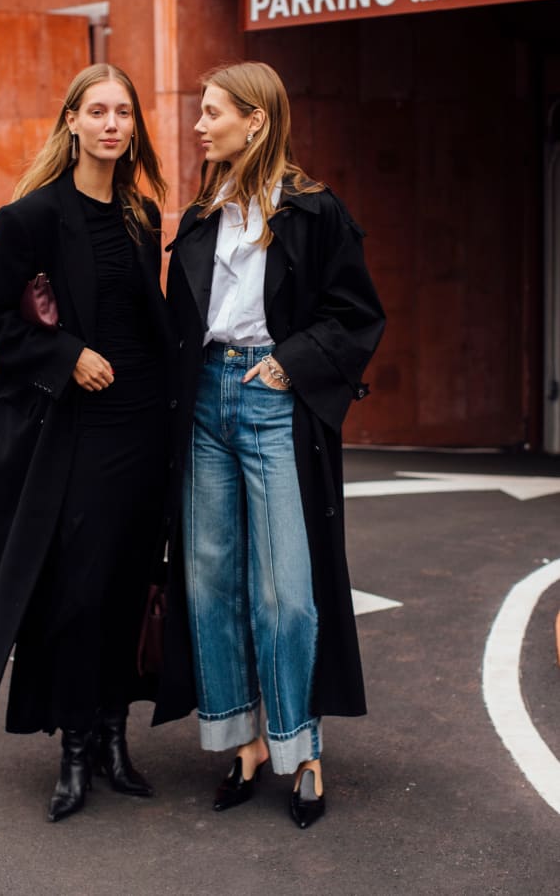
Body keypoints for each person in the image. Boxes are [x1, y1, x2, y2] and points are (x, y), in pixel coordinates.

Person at [157, 61, 385, 829]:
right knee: (208, 584)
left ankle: (300, 746)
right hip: (203, 406)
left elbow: (357, 316)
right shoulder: (201, 213)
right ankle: (243, 741)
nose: (200, 124)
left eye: (213, 112)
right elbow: (176, 322)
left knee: (287, 594)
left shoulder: (315, 213)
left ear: (255, 121)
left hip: (269, 402)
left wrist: (292, 362)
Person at [0, 63, 174, 823]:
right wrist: (67, 357)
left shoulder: (141, 218)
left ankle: (117, 737)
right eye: (99, 111)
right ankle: (75, 749)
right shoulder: (29, 219)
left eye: (124, 112)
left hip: (145, 427)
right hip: (79, 434)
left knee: (127, 584)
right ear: (72, 123)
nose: (113, 124)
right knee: (78, 591)